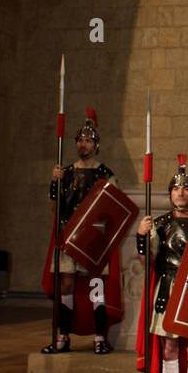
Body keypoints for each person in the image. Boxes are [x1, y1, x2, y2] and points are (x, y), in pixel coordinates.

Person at [41, 110, 121, 354]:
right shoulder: (65, 173)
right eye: (79, 140)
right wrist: (55, 182)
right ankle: (63, 338)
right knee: (66, 284)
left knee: (96, 284)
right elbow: (55, 207)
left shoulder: (105, 175)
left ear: (95, 145)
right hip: (69, 237)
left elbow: (114, 209)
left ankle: (99, 338)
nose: (82, 144)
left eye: (87, 141)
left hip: (93, 241)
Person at [135, 157, 188, 373]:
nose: (181, 193)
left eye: (186, 189)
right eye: (176, 189)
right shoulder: (160, 224)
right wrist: (142, 237)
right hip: (167, 290)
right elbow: (147, 263)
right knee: (169, 348)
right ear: (170, 194)